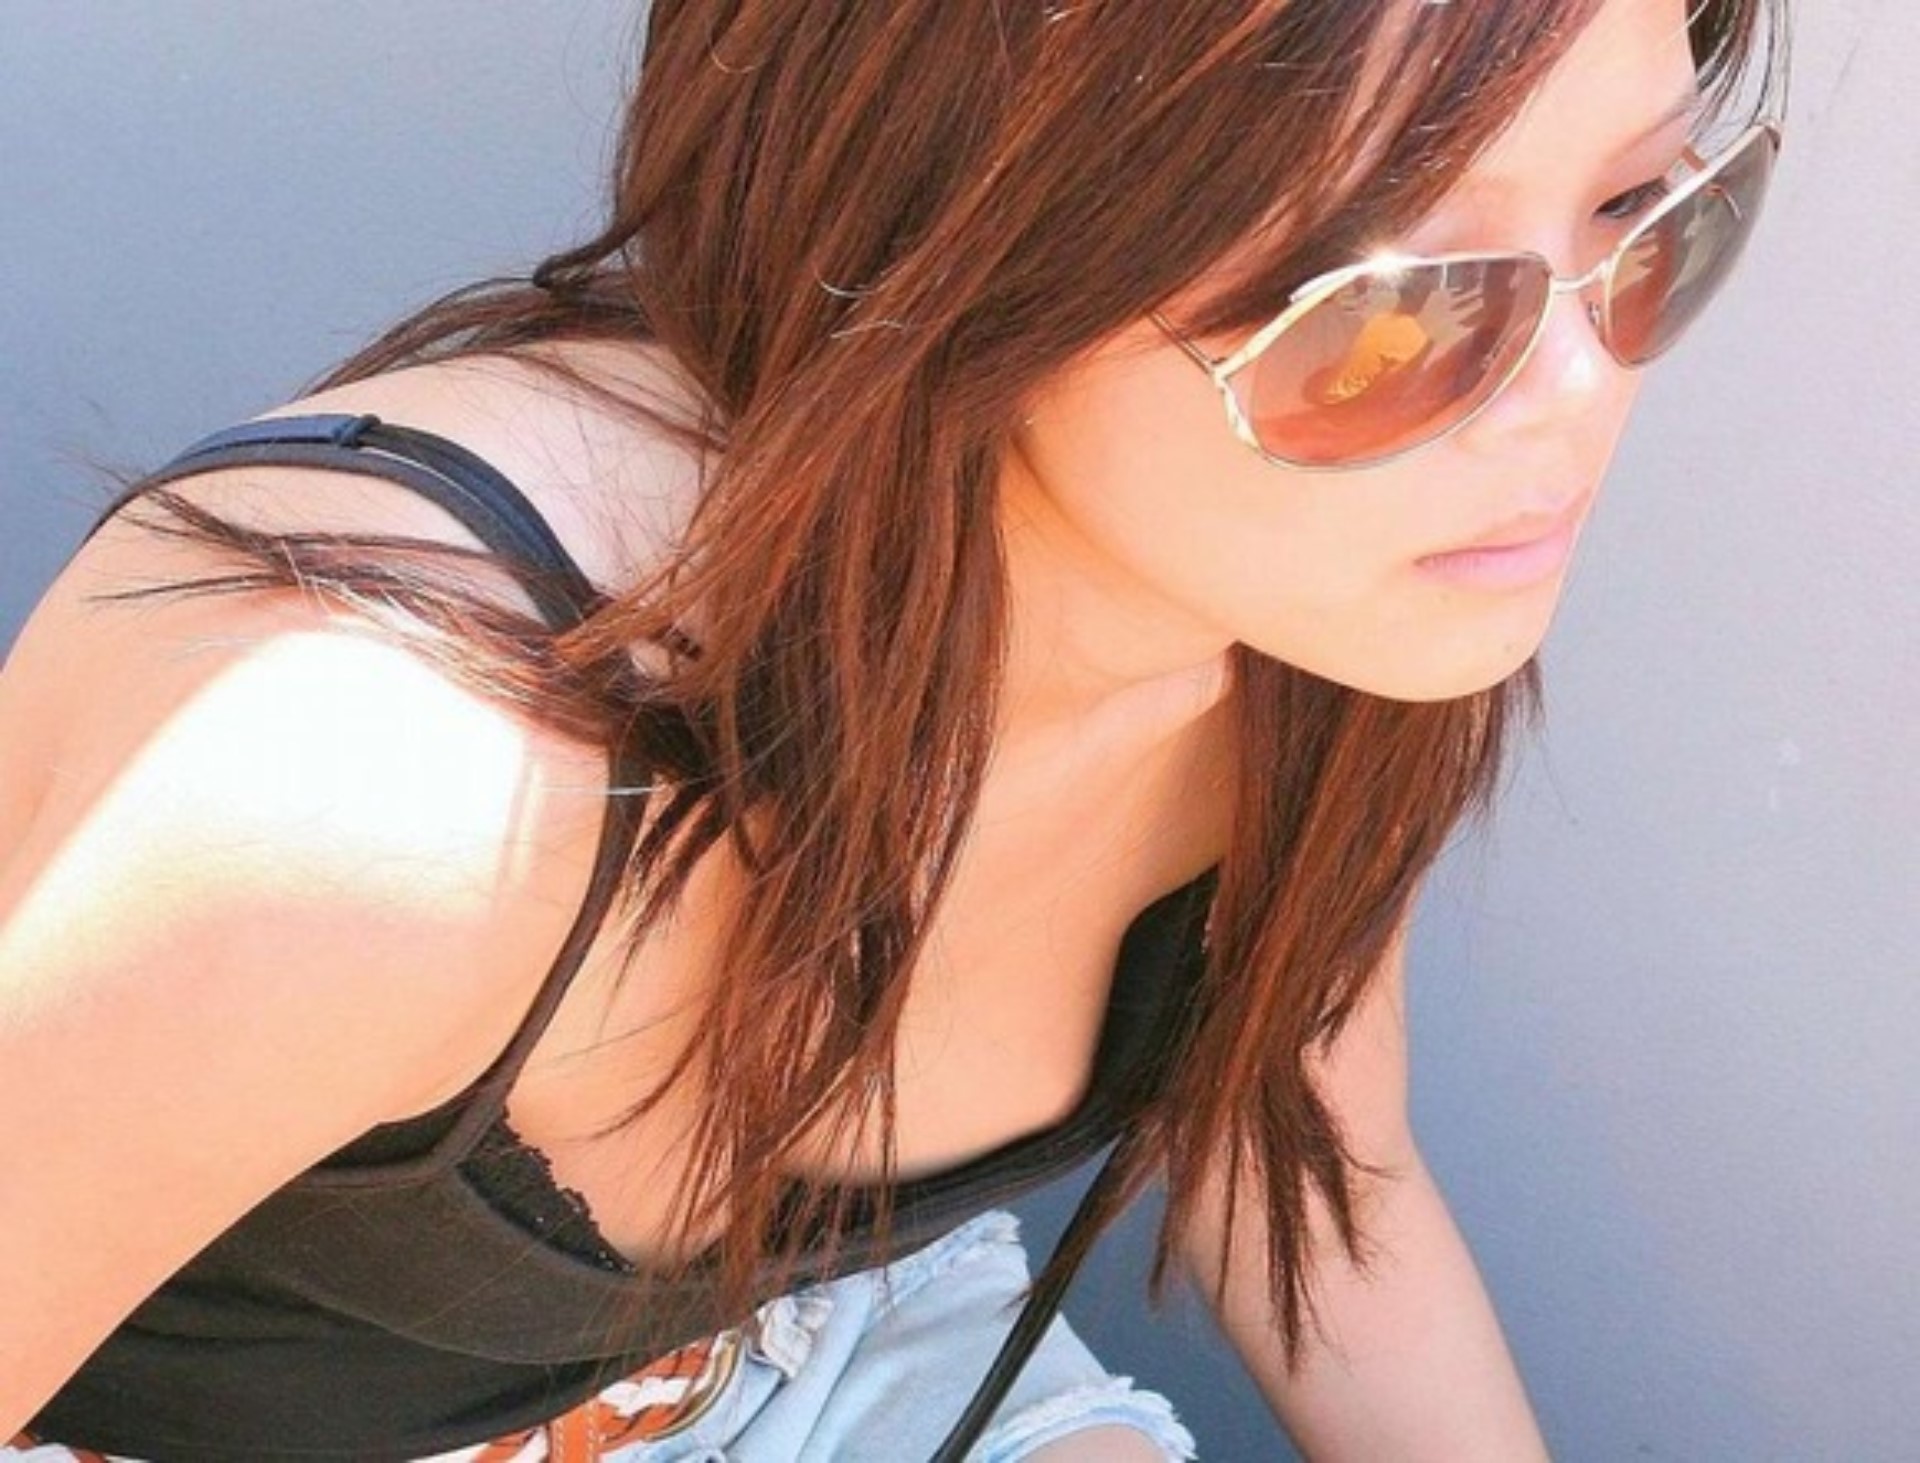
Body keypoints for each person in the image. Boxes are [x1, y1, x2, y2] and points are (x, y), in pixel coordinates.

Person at [1, 0, 1787, 1457]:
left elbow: (1315, 1167)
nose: (1577, 394)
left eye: (1644, 217)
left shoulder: (1315, 602)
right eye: (1390, 316)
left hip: (797, 1352)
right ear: (975, 259)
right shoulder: (383, 807)